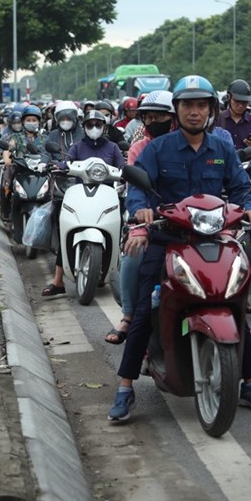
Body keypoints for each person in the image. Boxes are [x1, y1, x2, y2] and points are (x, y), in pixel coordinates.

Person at [108, 75, 251, 422]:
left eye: (201, 106)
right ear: (176, 110)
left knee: (234, 300)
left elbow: (241, 186)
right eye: (187, 106)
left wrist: (250, 206)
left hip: (215, 239)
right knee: (144, 305)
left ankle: (250, 380)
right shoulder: (157, 149)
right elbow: (138, 188)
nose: (194, 113)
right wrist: (140, 215)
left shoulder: (222, 148)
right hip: (168, 238)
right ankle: (125, 386)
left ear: (211, 110)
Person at [105, 91, 177, 344]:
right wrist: (141, 222)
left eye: (161, 116)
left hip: (189, 219)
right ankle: (128, 314)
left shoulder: (193, 144)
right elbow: (137, 187)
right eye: (149, 117)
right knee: (133, 254)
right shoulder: (139, 147)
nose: (154, 121)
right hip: (150, 217)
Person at [42, 110, 124, 297]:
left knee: (123, 228)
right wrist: (58, 167)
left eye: (98, 124)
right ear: (84, 127)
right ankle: (58, 281)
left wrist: (126, 173)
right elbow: (66, 162)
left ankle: (119, 273)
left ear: (104, 127)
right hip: (81, 195)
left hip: (107, 196)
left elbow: (122, 167)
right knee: (68, 228)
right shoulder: (78, 146)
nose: (94, 128)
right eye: (90, 125)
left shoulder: (112, 147)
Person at [218, 79, 251, 150]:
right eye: (237, 101)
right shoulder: (218, 119)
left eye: (244, 102)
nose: (240, 105)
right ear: (229, 97)